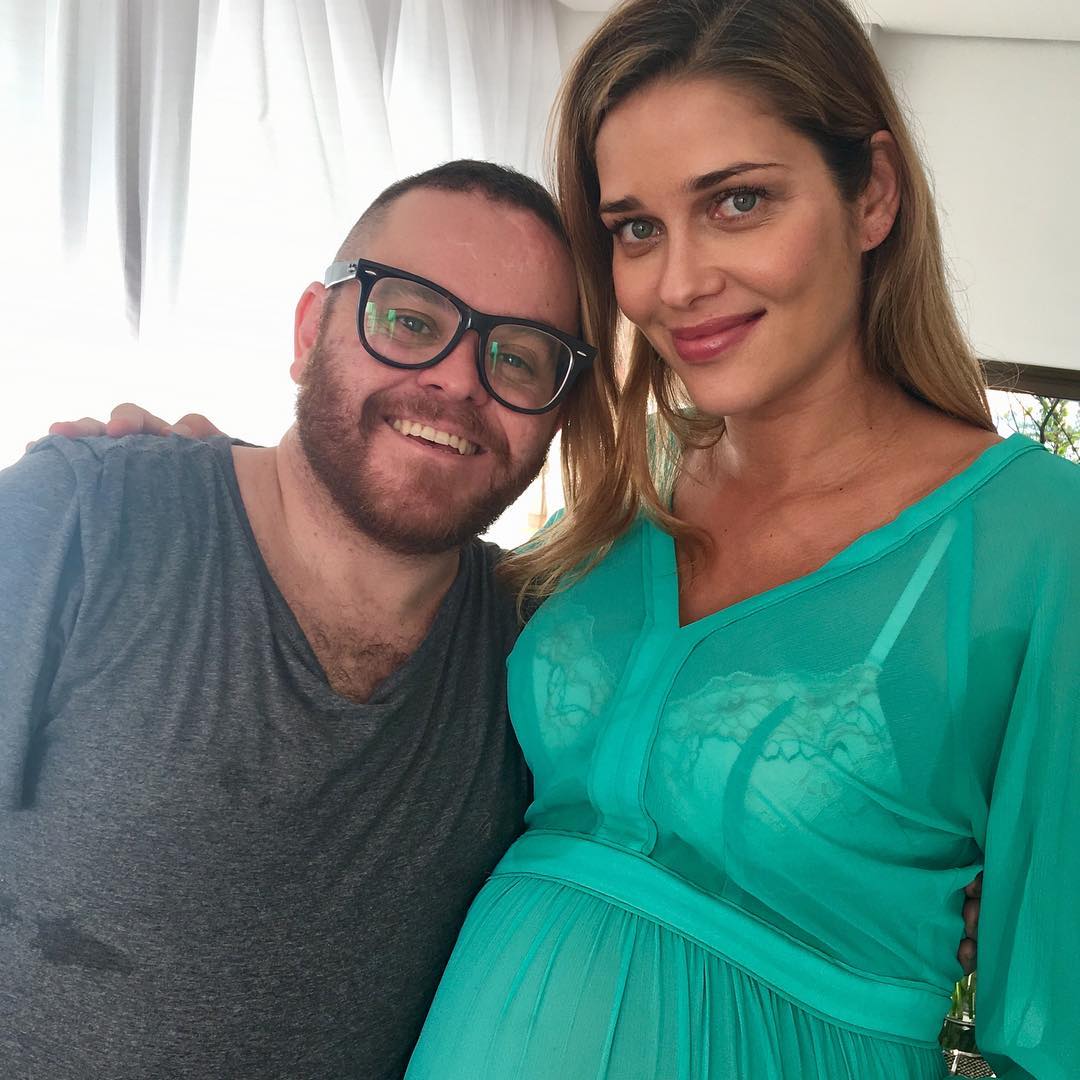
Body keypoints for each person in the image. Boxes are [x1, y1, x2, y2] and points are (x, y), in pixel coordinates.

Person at [397, 1, 1080, 1078]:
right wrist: (201, 486)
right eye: (636, 228)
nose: (678, 285)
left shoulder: (1039, 539)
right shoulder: (622, 489)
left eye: (738, 201)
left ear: (873, 194)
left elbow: (1056, 1022)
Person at [0, 160, 597, 1079]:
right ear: (311, 329)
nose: (458, 380)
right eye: (411, 320)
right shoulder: (80, 521)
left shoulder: (543, 653)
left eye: (518, 357)